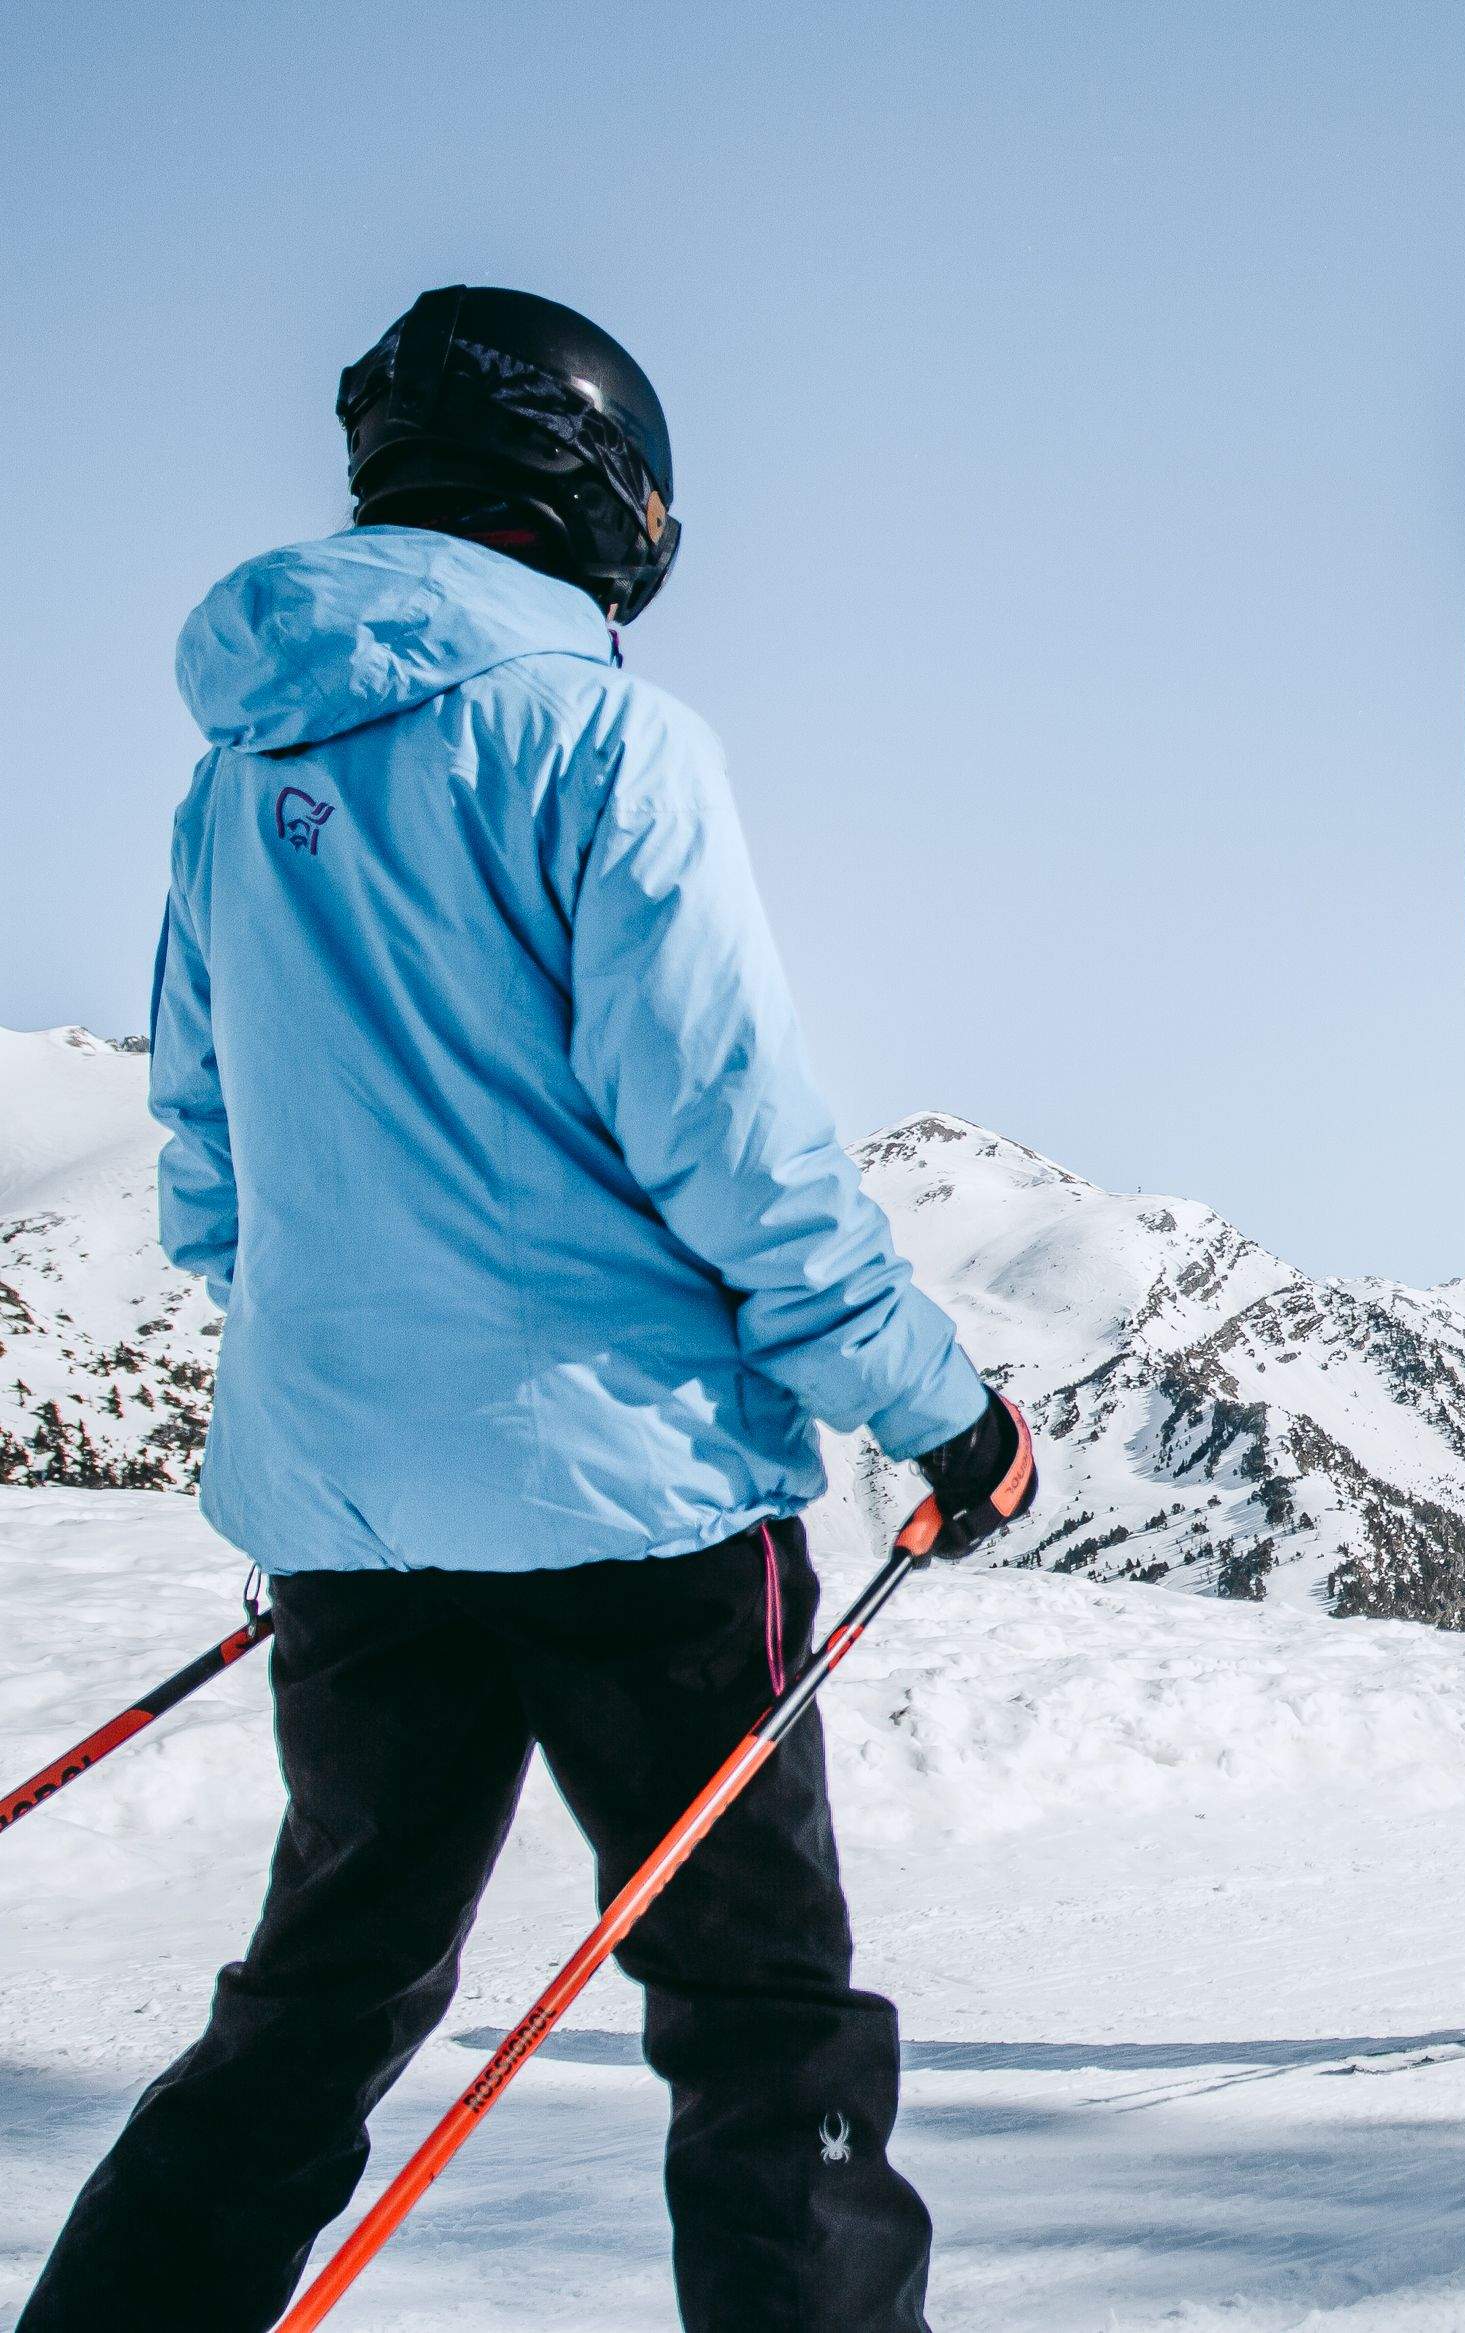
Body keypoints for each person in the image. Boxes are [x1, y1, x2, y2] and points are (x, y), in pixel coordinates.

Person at [19, 287, 1035, 2333]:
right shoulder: (606, 738)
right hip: (641, 1505)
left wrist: (380, 1392)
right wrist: (941, 1409)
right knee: (761, 2016)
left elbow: (210, 1163)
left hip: (352, 1517)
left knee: (319, 1997)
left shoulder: (237, 772)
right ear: (593, 485)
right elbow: (734, 1144)